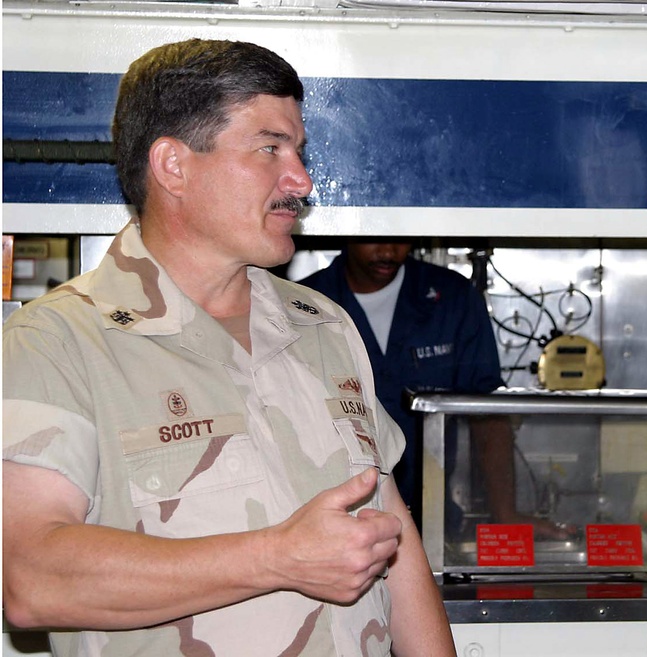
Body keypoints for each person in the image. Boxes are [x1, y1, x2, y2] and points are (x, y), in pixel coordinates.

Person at [2, 39, 456, 657]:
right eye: (270, 148)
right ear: (174, 166)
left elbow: (392, 533)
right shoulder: (57, 342)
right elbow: (32, 578)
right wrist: (276, 558)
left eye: (298, 151)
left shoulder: (321, 323)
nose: (301, 180)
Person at [298, 241, 571, 539]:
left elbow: (487, 414)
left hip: (432, 522)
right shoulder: (302, 303)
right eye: (374, 238)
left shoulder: (452, 297)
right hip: (334, 520)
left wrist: (506, 514)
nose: (389, 252)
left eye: (400, 238)